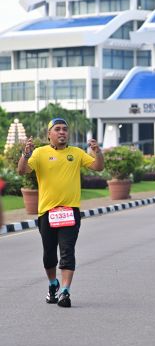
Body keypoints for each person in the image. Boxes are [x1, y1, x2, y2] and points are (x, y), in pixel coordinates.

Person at [17, 118, 104, 307]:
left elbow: (98, 167)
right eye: (57, 129)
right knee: (49, 254)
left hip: (70, 211)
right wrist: (25, 154)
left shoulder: (76, 153)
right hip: (47, 212)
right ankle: (52, 284)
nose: (62, 132)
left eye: (65, 129)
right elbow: (22, 171)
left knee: (67, 251)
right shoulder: (40, 153)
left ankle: (65, 291)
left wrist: (98, 152)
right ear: (49, 134)